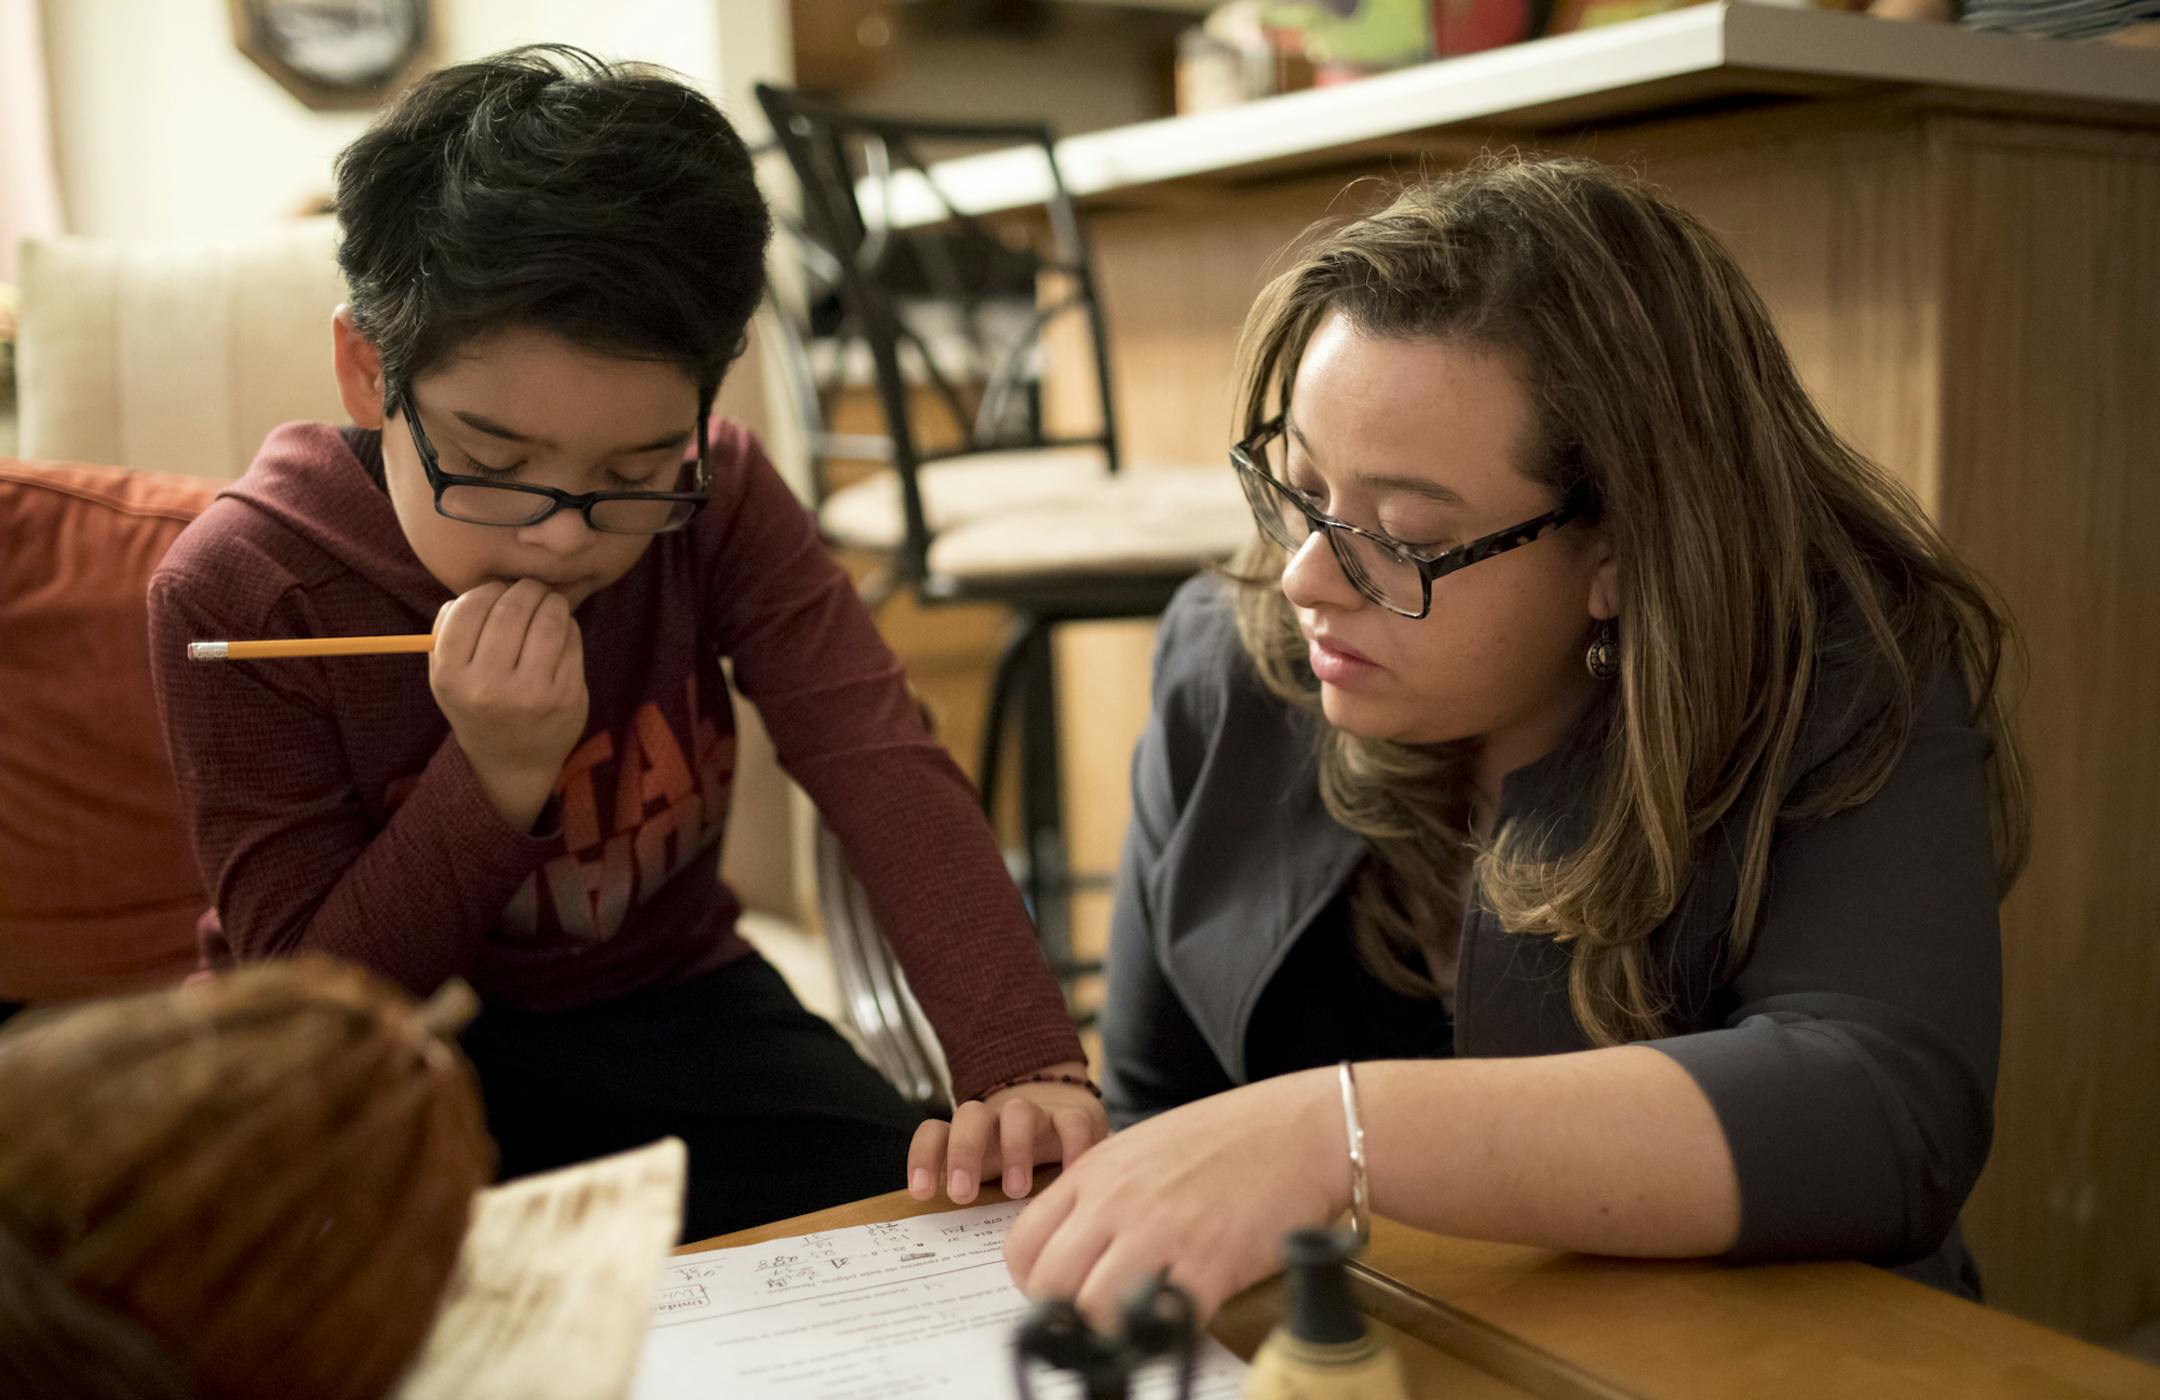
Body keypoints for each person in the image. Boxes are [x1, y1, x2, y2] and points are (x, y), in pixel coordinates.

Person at [1004, 157, 2029, 1323]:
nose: (1305, 579)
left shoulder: (1833, 675)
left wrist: (1339, 1131)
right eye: (1304, 490)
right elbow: (1159, 1109)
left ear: (1621, 551)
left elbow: (1884, 1109)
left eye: (1402, 536)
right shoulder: (1235, 662)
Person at [146, 46, 1103, 1242]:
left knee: (929, 1226)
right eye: (493, 464)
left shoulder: (720, 497)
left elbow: (878, 758)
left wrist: (1024, 1056)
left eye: (636, 471)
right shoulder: (245, 589)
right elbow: (310, 1003)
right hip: (370, 1060)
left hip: (676, 1011)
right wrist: (495, 771)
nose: (561, 534)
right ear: (366, 371)